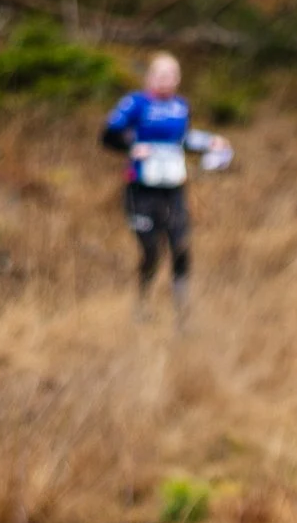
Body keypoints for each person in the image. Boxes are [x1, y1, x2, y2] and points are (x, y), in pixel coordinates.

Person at [99, 54, 231, 324]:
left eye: (171, 75)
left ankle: (182, 312)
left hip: (173, 187)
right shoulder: (136, 103)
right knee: (151, 250)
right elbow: (107, 136)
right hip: (141, 189)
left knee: (181, 245)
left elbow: (182, 140)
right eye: (160, 74)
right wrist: (131, 147)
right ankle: (142, 303)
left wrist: (210, 143)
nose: (166, 80)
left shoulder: (181, 106)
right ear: (149, 77)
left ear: (178, 79)